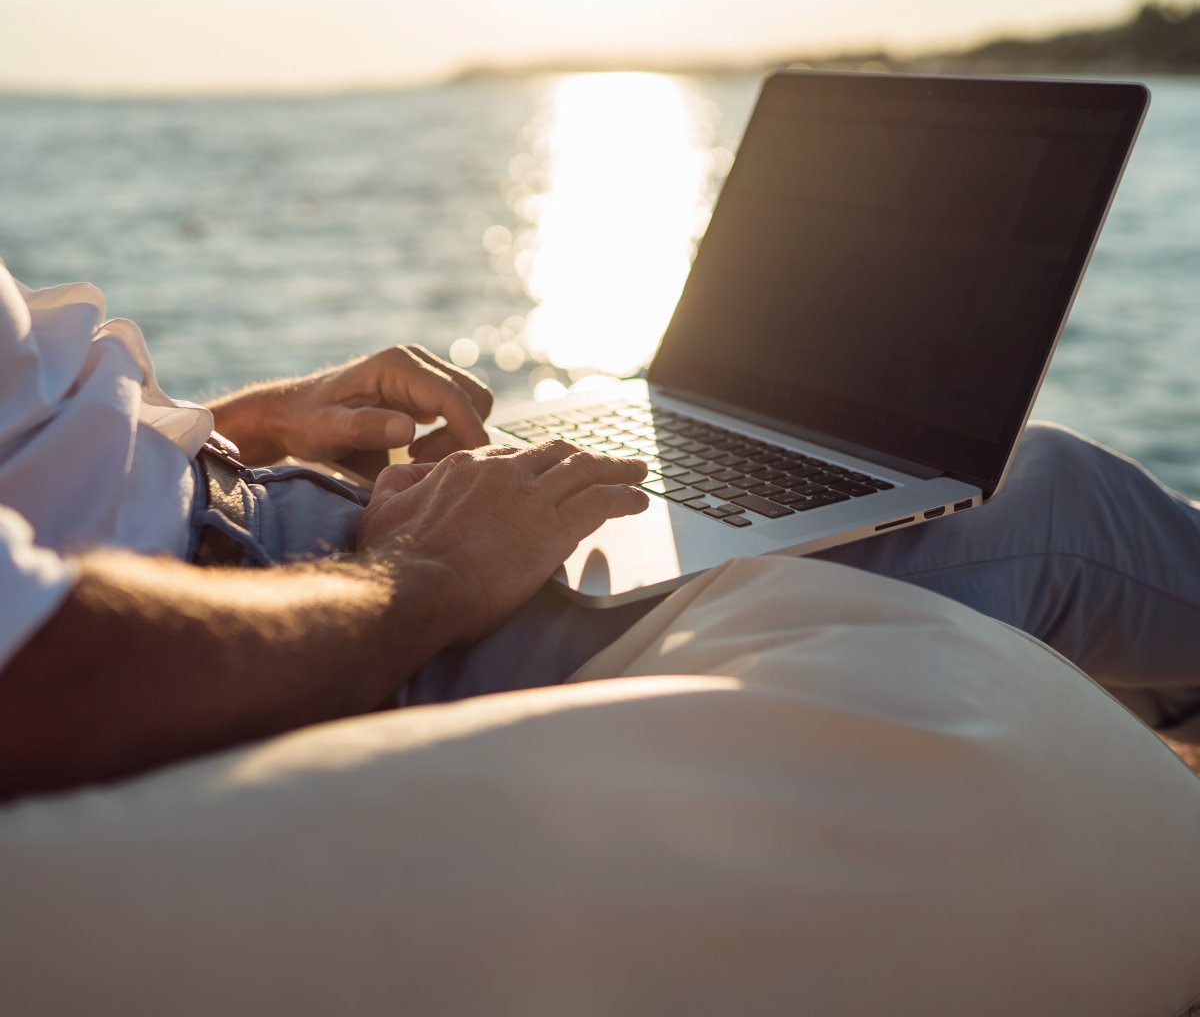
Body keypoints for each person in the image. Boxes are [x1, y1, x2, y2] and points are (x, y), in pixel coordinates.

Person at [1, 262, 1198, 800]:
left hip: (259, 522)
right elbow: (46, 681)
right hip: (278, 613)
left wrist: (240, 427)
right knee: (1039, 508)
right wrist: (420, 578)